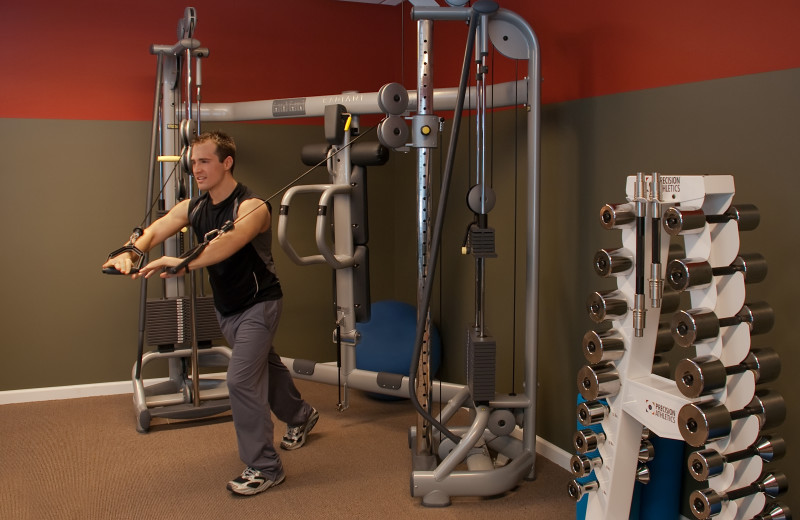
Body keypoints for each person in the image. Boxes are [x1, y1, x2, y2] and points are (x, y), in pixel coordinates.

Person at [103, 130, 318, 496]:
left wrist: (183, 263)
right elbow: (156, 230)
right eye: (193, 161)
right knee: (265, 367)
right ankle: (302, 415)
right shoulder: (195, 207)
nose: (196, 168)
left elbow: (227, 244)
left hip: (259, 304)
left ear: (226, 162)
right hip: (227, 308)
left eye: (204, 161)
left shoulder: (251, 207)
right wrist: (129, 250)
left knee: (240, 381)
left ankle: (264, 467)